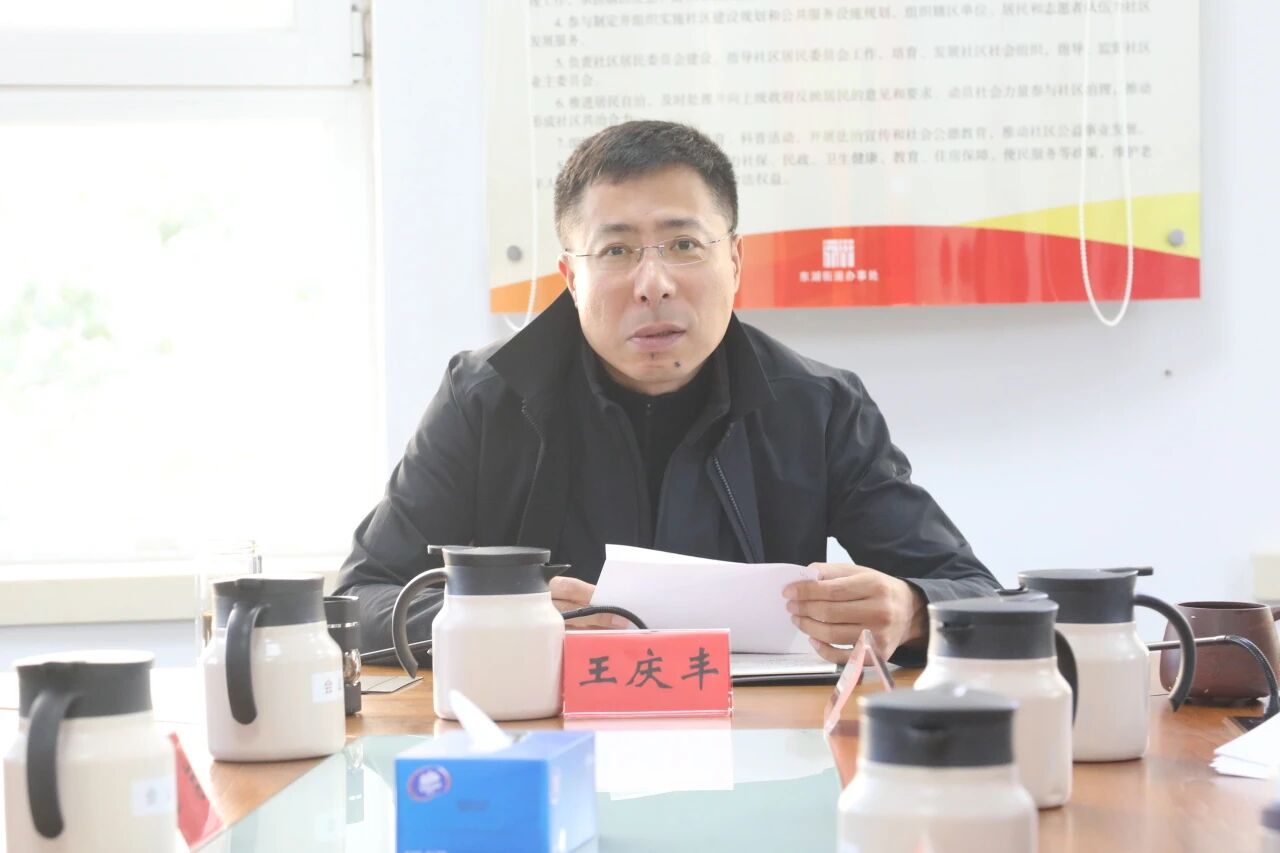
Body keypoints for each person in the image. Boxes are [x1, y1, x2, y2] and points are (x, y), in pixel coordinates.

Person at [335, 120, 999, 666]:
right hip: (542, 739)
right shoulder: (485, 400)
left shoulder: (819, 407)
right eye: (616, 251)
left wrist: (912, 610)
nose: (653, 283)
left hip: (757, 746)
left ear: (734, 261)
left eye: (683, 244)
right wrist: (507, 621)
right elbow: (358, 602)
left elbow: (981, 595)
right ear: (570, 277)